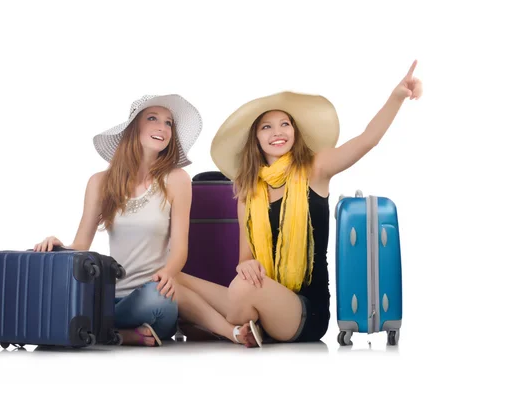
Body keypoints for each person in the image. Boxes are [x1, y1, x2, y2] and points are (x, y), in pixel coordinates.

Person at [174, 61, 422, 347]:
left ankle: (216, 325)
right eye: (266, 126)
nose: (277, 132)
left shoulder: (316, 169)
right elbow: (245, 256)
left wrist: (397, 96)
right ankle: (237, 329)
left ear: (294, 131)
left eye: (284, 124)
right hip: (260, 291)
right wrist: (246, 265)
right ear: (255, 138)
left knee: (241, 291)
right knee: (173, 281)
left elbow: (367, 140)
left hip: (305, 310)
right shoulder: (247, 190)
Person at [34, 94, 203, 347]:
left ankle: (98, 329)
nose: (162, 127)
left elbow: (180, 248)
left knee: (156, 298)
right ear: (134, 128)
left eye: (168, 123)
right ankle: (121, 334)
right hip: (108, 297)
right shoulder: (99, 182)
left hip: (151, 297)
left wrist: (167, 273)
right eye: (153, 119)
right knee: (66, 299)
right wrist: (58, 246)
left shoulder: (177, 179)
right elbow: (81, 245)